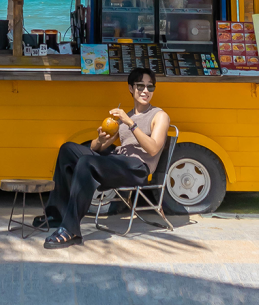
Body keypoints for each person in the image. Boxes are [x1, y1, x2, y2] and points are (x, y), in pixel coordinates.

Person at [41, 67, 171, 249]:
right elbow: (96, 148)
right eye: (140, 86)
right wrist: (100, 139)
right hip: (117, 161)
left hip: (137, 167)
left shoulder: (159, 115)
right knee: (68, 150)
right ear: (130, 88)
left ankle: (70, 230)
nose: (145, 91)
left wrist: (131, 124)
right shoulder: (127, 116)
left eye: (151, 87)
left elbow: (153, 149)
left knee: (87, 163)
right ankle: (56, 215)